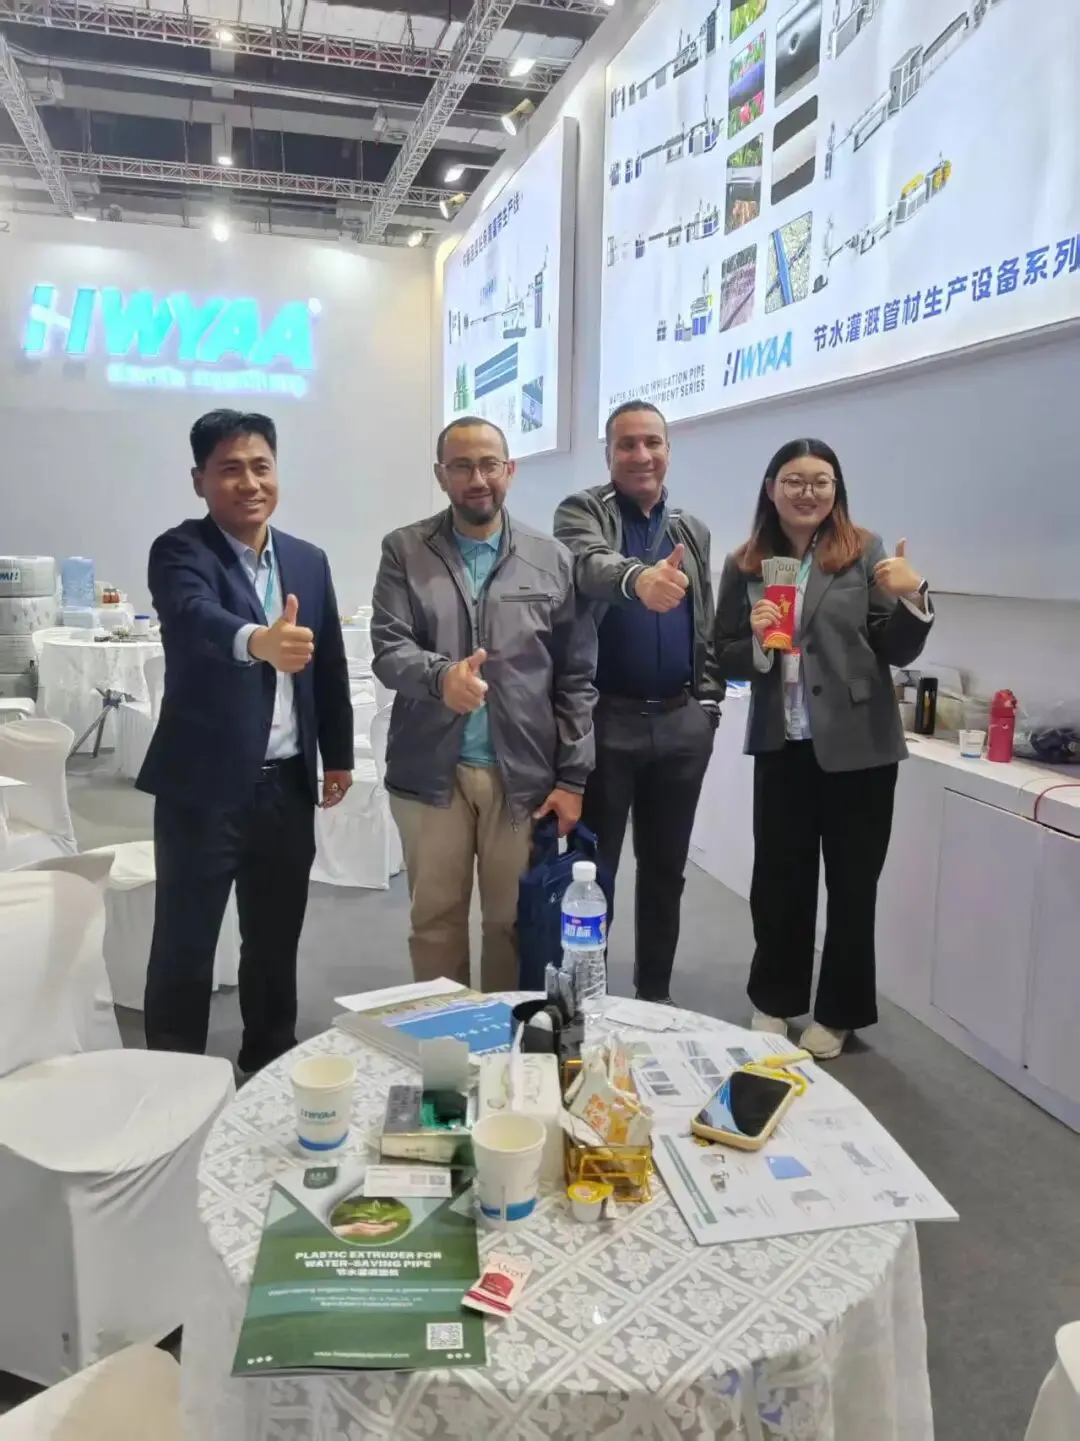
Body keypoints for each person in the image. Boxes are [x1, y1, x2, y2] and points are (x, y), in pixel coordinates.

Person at [138, 409, 353, 1073]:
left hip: (285, 785)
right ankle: (174, 1079)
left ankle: (267, 1061)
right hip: (202, 788)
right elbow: (194, 616)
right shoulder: (180, 551)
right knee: (185, 943)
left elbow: (330, 664)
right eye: (230, 469)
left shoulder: (307, 560)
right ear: (199, 479)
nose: (250, 482)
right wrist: (258, 640)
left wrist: (338, 755)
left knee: (274, 939)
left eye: (261, 466)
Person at [713, 437, 934, 1060]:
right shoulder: (746, 563)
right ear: (771, 488)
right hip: (781, 742)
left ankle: (839, 1013)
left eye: (820, 481)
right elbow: (723, 651)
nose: (807, 492)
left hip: (860, 747)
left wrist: (915, 595)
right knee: (778, 881)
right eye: (794, 480)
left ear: (836, 489)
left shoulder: (863, 551)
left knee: (853, 885)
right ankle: (774, 998)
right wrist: (754, 641)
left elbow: (895, 648)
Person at [371, 416, 596, 992]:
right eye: (462, 466)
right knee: (435, 921)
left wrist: (572, 777)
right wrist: (440, 678)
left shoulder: (552, 558)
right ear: (440, 475)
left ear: (510, 471)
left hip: (520, 777)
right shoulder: (404, 550)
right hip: (430, 771)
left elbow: (575, 676)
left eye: (489, 464)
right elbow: (390, 649)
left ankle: (504, 1036)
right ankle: (443, 1033)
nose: (477, 479)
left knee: (513, 924)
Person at [554, 400, 723, 1005]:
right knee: (591, 873)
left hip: (679, 723)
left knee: (666, 871)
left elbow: (704, 620)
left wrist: (707, 709)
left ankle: (655, 996)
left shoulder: (690, 530)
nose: (641, 454)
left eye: (653, 442)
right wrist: (639, 580)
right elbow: (589, 565)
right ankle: (587, 999)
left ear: (668, 451)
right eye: (627, 444)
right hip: (607, 722)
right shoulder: (582, 512)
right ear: (608, 454)